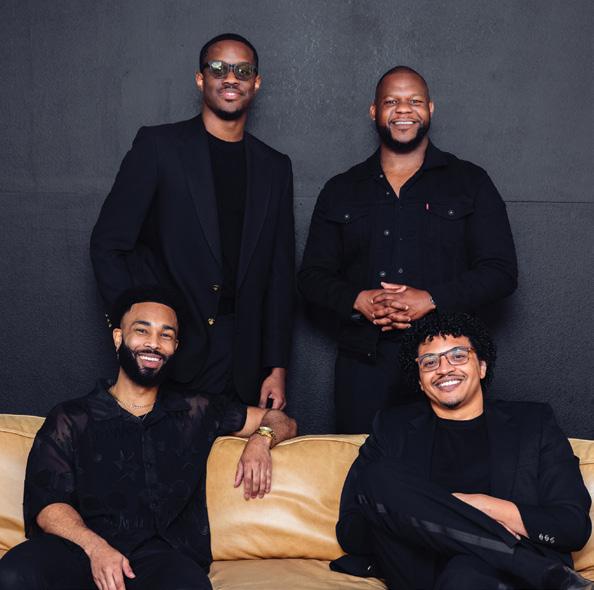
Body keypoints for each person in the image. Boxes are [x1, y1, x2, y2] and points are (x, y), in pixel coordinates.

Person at [0, 287, 297, 590]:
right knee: (13, 574)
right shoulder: (71, 417)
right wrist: (95, 548)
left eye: (166, 335)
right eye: (142, 331)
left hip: (160, 557)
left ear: (175, 347)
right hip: (81, 548)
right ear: (119, 337)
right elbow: (48, 504)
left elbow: (280, 419)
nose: (154, 343)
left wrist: (261, 439)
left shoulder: (196, 410)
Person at [298, 65, 518, 433]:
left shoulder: (470, 181)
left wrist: (431, 300)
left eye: (414, 101)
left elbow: (500, 272)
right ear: (375, 111)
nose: (403, 110)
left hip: (446, 361)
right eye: (392, 102)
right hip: (363, 365)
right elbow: (311, 277)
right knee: (364, 460)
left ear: (430, 109)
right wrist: (358, 300)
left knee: (451, 461)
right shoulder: (341, 188)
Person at [91, 33, 295, 409]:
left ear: (256, 82)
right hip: (171, 349)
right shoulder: (159, 147)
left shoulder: (275, 167)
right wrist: (134, 325)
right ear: (201, 79)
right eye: (218, 68)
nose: (230, 78)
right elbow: (108, 244)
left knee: (236, 447)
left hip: (242, 360)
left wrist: (276, 367)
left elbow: (279, 276)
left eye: (243, 70)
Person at [333, 311, 592, 590]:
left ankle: (519, 563)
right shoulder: (391, 427)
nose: (444, 369)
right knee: (377, 476)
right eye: (429, 362)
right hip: (422, 567)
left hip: (498, 578)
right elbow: (351, 530)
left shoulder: (533, 423)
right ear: (420, 380)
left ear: (481, 367)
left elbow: (572, 526)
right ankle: (536, 568)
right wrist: (423, 521)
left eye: (458, 356)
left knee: (464, 573)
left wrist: (477, 506)